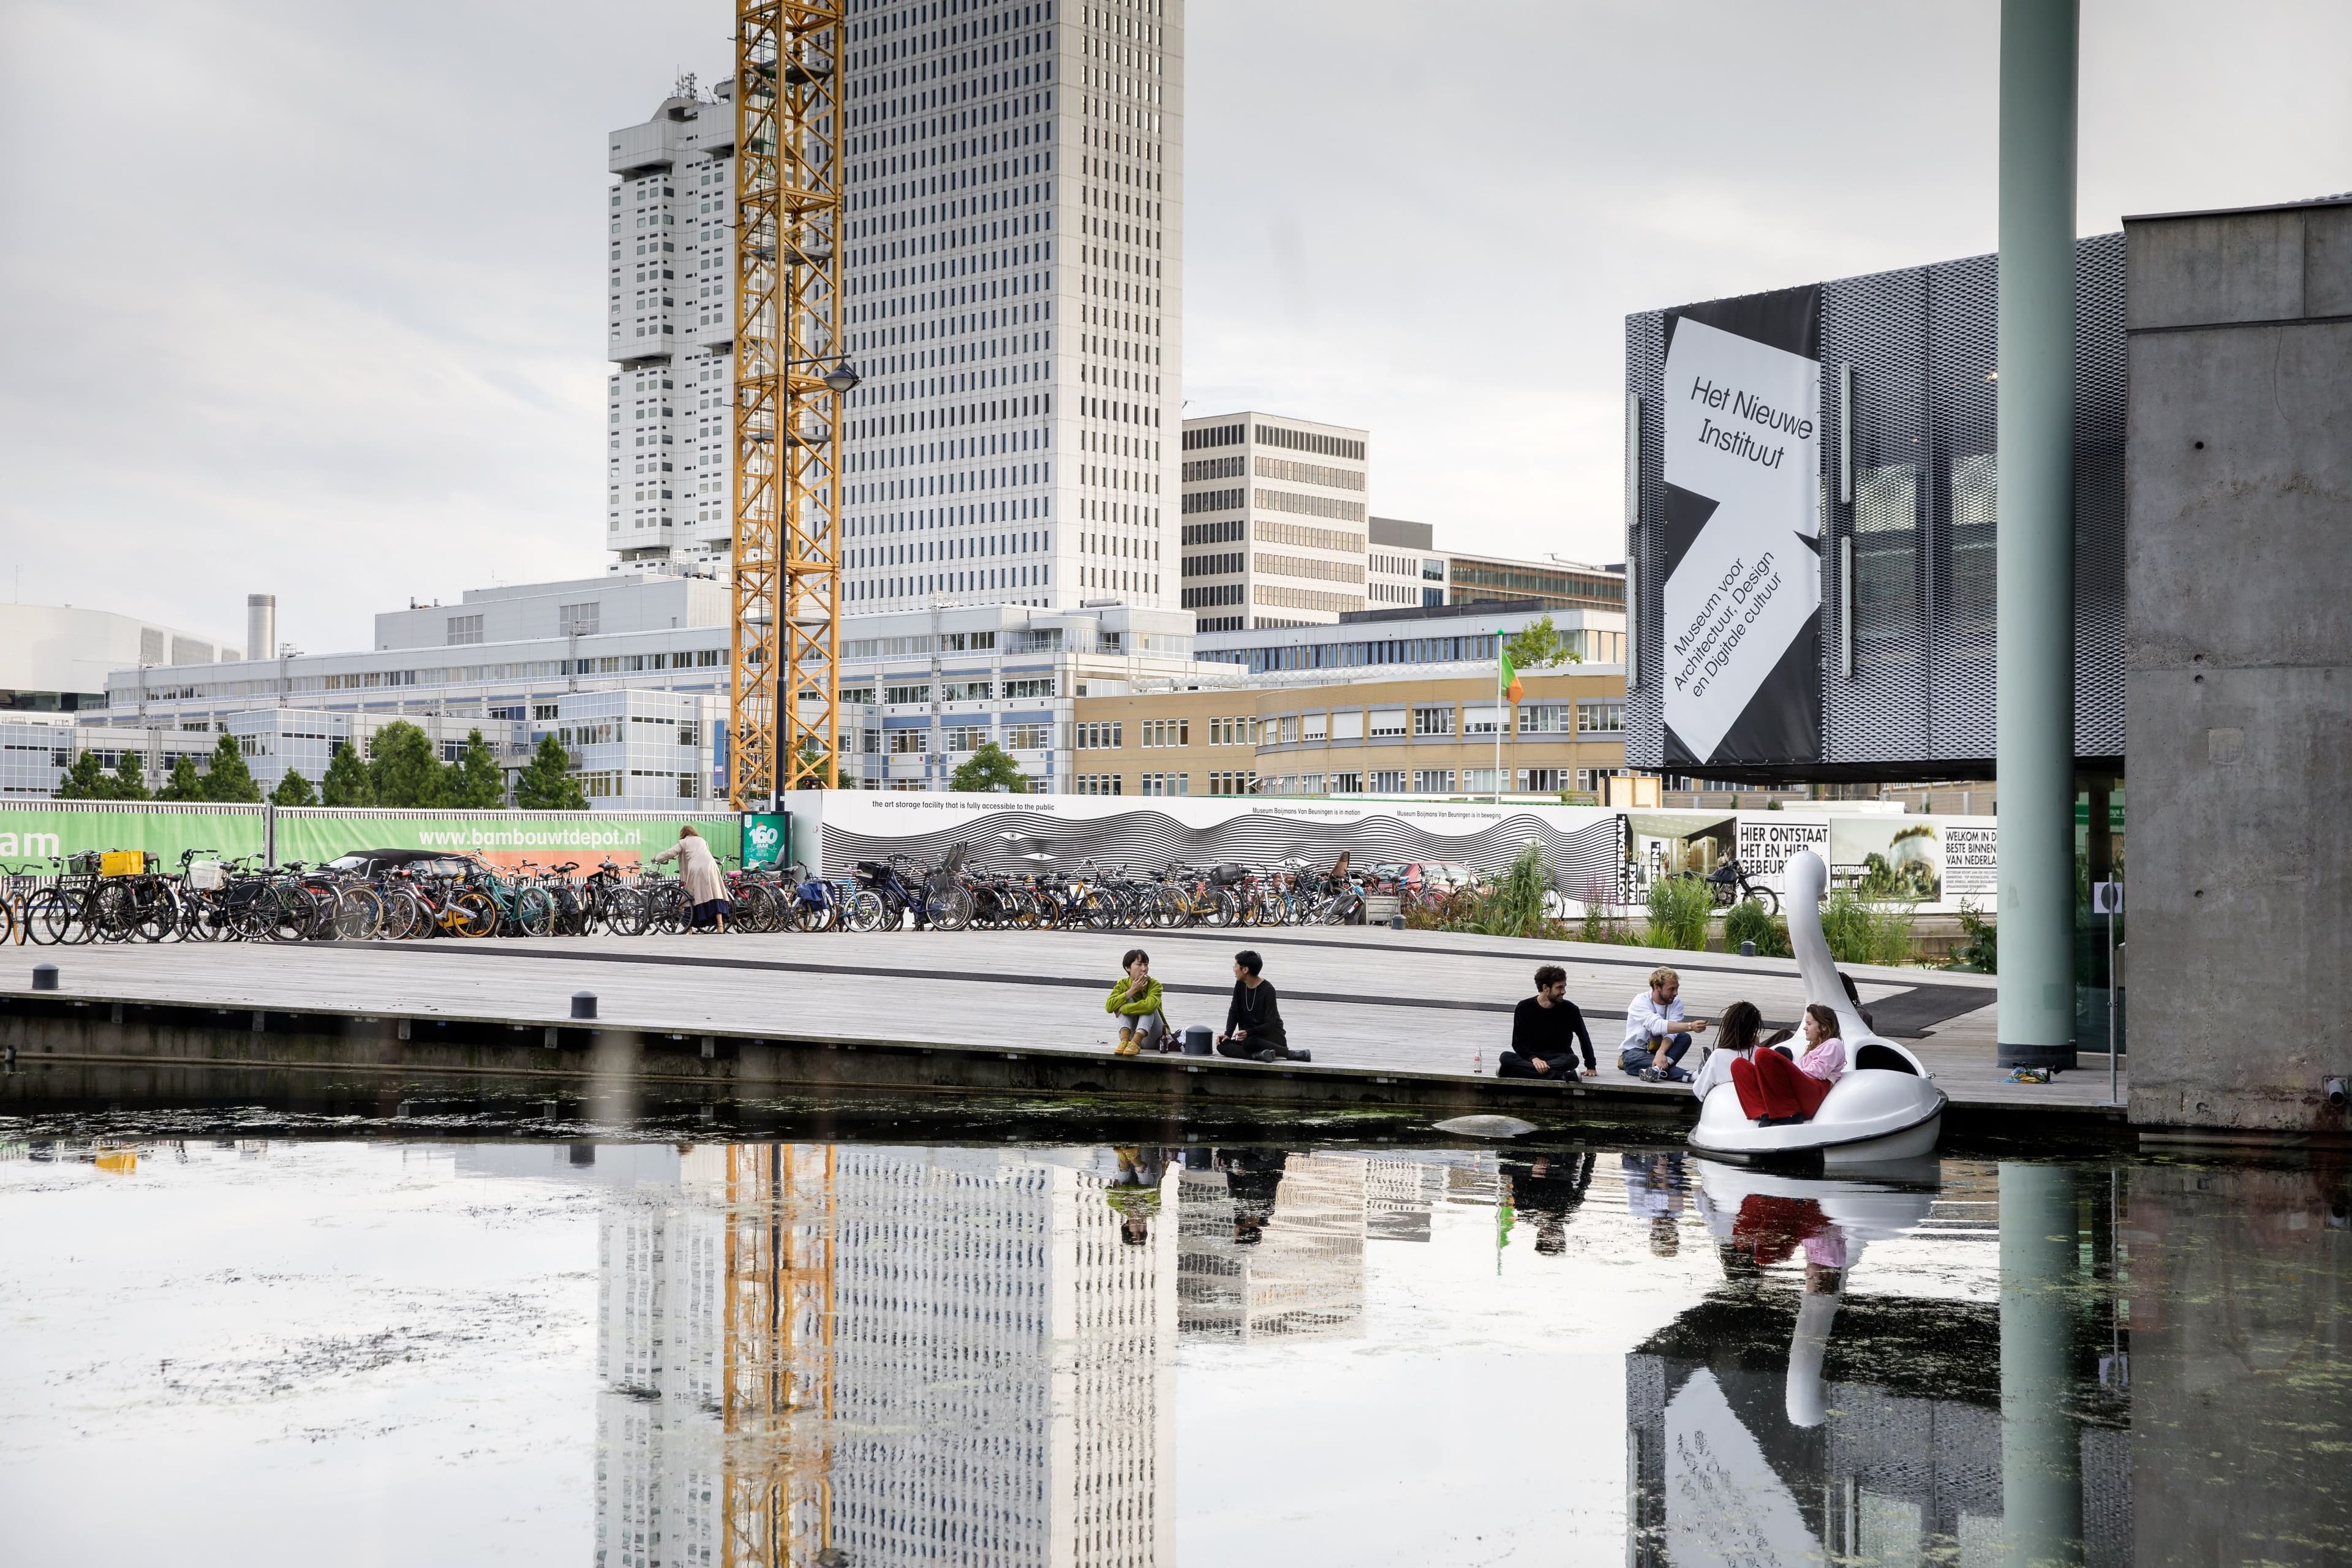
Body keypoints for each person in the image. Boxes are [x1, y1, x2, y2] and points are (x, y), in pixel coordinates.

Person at [1730, 1003, 1848, 1125]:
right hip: (1803, 1090)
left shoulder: (1834, 1043)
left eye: (1809, 1024)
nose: (1805, 1028)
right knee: (1739, 1065)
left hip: (1814, 1093)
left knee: (1763, 1054)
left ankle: (1789, 1113)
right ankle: (1764, 1112)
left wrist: (1787, 1072)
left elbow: (1818, 1072)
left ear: (1823, 1027)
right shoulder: (1813, 1049)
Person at [1499, 965, 1596, 1080]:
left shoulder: (1570, 1009)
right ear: (1546, 988)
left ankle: (1517, 1071)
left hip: (1559, 1057)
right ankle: (1562, 1076)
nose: (1564, 992)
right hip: (1532, 1058)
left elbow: (1583, 1037)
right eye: (1559, 988)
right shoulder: (1524, 1007)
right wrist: (1534, 1060)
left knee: (1572, 1060)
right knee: (1505, 1057)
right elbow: (1518, 1043)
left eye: (1564, 987)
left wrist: (1591, 1066)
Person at [1217, 950, 1310, 1063]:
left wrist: (1249, 1032)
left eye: (1235, 967)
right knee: (1222, 1045)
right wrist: (1228, 1034)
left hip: (1270, 1038)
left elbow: (1271, 1023)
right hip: (1248, 1038)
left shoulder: (1268, 990)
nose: (1234, 970)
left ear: (1245, 970)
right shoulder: (1240, 985)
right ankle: (1258, 1055)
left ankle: (1290, 1054)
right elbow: (1234, 1011)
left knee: (1250, 1043)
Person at [1622, 967, 1708, 1082]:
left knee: (1684, 1037)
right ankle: (1695, 1076)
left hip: (1663, 1050)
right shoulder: (1640, 1001)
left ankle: (1656, 1070)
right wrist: (1690, 1026)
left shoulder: (1676, 1003)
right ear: (1657, 987)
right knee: (1649, 1062)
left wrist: (1661, 1052)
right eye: (1671, 989)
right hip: (1635, 1053)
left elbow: (1672, 1033)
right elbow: (1657, 1026)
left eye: (1677, 989)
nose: (1676, 993)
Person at [649, 824, 729, 933]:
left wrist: (656, 858)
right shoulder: (702, 840)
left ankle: (689, 928)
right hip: (711, 866)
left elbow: (670, 852)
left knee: (689, 896)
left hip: (696, 868)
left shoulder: (683, 842)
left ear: (683, 834)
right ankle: (720, 925)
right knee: (714, 893)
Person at [1688, 1000, 1765, 1102]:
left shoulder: (1719, 1056)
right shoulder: (1761, 1056)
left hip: (1725, 1105)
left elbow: (1699, 1091)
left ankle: (1702, 1070)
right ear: (1755, 1029)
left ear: (1728, 1027)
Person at [1104, 948, 1170, 1057]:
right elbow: (1109, 1007)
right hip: (1130, 1035)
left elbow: (1149, 1007)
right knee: (1126, 999)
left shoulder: (1155, 985)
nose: (1144, 969)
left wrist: (1123, 1009)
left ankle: (1136, 1042)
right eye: (1139, 965)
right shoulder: (1122, 984)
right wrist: (1131, 991)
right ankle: (1125, 1041)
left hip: (1153, 1038)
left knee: (1149, 1006)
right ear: (1128, 968)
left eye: (1146, 965)